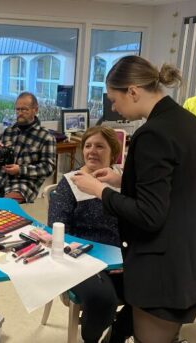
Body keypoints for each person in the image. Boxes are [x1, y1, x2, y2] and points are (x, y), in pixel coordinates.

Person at [71, 56, 196, 343]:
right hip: (195, 259)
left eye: (114, 98)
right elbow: (179, 188)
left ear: (133, 91)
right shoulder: (189, 123)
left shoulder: (153, 134)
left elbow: (150, 215)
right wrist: (124, 181)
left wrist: (100, 191)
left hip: (164, 268)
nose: (113, 107)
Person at [48, 126, 132, 343]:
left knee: (155, 289)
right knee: (102, 300)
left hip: (121, 256)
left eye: (100, 146)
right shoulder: (70, 182)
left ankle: (117, 334)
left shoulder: (123, 180)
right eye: (88, 146)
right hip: (81, 259)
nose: (92, 151)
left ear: (113, 153)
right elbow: (57, 230)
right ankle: (91, 338)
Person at [0, 91, 56, 204]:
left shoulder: (46, 137)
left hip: (23, 184)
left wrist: (20, 169)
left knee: (0, 211)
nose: (20, 113)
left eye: (24, 109)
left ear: (35, 110)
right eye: (17, 109)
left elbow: (48, 168)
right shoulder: (8, 131)